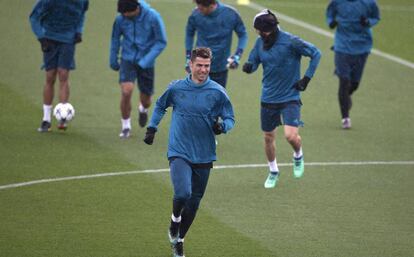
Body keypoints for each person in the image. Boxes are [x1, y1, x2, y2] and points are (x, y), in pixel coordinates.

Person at [143, 47, 235, 257]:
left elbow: (230, 117)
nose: (203, 70)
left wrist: (223, 127)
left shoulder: (218, 92)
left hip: (204, 153)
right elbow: (159, 106)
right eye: (199, 65)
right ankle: (175, 219)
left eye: (207, 66)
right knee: (183, 193)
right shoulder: (176, 88)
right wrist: (152, 128)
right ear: (190, 65)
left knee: (194, 202)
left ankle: (179, 240)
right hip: (179, 150)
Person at [242, 10, 321, 188]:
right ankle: (273, 170)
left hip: (290, 97)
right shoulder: (260, 43)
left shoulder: (291, 41)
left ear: (267, 30)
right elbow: (254, 61)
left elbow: (316, 53)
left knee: (291, 136)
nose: (258, 34)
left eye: (259, 30)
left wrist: (306, 78)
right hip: (268, 97)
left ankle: (298, 155)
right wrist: (249, 66)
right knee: (268, 137)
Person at [110, 0, 167, 138]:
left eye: (128, 14)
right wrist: (113, 58)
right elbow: (115, 39)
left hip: (146, 62)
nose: (126, 16)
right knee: (126, 91)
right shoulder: (120, 19)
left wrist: (146, 61)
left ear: (137, 9)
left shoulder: (153, 17)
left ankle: (143, 109)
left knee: (146, 99)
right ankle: (125, 126)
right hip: (127, 59)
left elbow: (161, 41)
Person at [30, 0, 89, 132]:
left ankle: (63, 117)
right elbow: (34, 17)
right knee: (50, 76)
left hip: (68, 39)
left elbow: (82, 13)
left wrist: (79, 31)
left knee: (63, 74)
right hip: (50, 37)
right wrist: (41, 37)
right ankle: (46, 119)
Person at [326, 0, 380, 129]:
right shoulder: (337, 2)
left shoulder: (369, 3)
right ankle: (345, 118)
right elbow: (330, 15)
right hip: (342, 45)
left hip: (362, 46)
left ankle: (345, 96)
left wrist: (368, 22)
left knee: (354, 84)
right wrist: (332, 22)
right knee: (344, 80)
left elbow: (376, 17)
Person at [185, 0, 248, 88]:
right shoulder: (195, 14)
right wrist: (188, 57)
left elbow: (243, 34)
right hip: (199, 66)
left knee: (217, 99)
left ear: (211, 6)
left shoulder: (230, 14)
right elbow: (189, 34)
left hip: (220, 67)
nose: (198, 10)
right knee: (196, 99)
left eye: (201, 8)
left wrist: (237, 55)